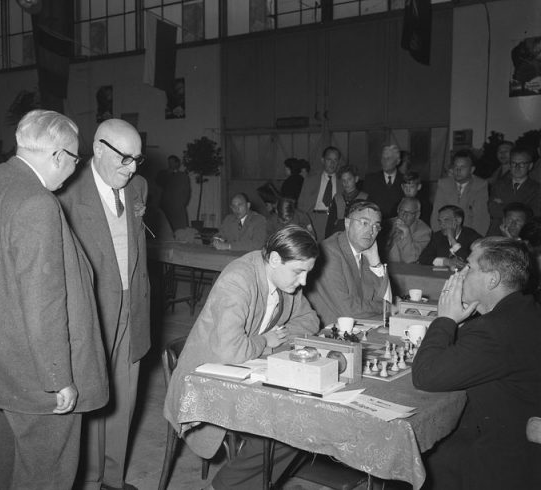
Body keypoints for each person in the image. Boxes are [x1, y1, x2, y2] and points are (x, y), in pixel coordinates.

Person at [0, 109, 108, 490]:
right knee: (46, 473)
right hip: (31, 374)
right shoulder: (36, 202)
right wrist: (60, 377)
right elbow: (43, 301)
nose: (74, 170)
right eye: (75, 160)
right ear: (59, 155)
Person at [164, 225, 321, 490]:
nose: (304, 282)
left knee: (300, 420)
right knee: (288, 425)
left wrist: (274, 337)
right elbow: (229, 350)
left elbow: (311, 320)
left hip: (248, 370)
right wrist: (266, 342)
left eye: (307, 272)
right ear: (273, 259)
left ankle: (240, 483)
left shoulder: (285, 279)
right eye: (299, 272)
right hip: (205, 380)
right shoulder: (238, 278)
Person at [58, 118, 151, 490]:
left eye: (137, 160)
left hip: (133, 305)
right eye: (124, 159)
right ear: (98, 149)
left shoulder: (139, 186)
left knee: (124, 397)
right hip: (91, 307)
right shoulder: (66, 190)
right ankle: (92, 480)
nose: (131, 169)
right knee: (94, 397)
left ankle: (114, 479)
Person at [412, 237, 541, 490]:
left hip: (509, 458)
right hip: (519, 431)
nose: (460, 273)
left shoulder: (495, 330)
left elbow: (425, 376)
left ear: (492, 280)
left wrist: (445, 319)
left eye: (469, 267)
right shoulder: (525, 310)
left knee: (428, 459)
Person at [306, 201, 390, 327]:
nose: (371, 231)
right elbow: (348, 309)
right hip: (328, 332)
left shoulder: (366, 251)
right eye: (364, 223)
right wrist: (385, 306)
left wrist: (376, 263)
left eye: (376, 226)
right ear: (347, 223)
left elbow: (385, 297)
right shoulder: (328, 252)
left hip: (359, 327)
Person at [430, 150, 489, 236]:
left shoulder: (480, 185)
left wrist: (474, 240)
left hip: (469, 234)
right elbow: (436, 214)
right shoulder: (444, 184)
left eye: (463, 167)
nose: (458, 170)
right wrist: (440, 236)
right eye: (455, 167)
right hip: (445, 232)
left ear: (472, 169)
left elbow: (481, 218)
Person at [488, 145, 540, 235]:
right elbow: (493, 210)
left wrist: (503, 206)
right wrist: (521, 208)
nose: (517, 167)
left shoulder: (537, 189)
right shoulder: (499, 185)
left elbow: (533, 214)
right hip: (497, 234)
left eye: (522, 164)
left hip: (523, 235)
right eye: (513, 163)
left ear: (530, 166)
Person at [297, 146, 343, 238]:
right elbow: (300, 206)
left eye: (335, 160)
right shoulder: (310, 180)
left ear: (339, 162)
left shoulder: (342, 181)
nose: (332, 163)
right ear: (323, 160)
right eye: (329, 159)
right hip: (313, 221)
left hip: (335, 221)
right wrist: (306, 224)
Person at [362, 144, 405, 220]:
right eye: (383, 158)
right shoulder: (370, 180)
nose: (384, 161)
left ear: (398, 161)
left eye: (388, 158)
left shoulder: (405, 181)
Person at [383, 197, 431, 263]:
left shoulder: (424, 231)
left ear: (417, 215)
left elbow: (410, 259)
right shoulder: (387, 224)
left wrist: (406, 234)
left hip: (406, 270)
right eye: (402, 211)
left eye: (409, 213)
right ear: (397, 210)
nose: (404, 215)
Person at [156, 154, 190, 231]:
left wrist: (183, 203)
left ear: (177, 163)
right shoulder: (163, 173)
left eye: (172, 162)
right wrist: (168, 173)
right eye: (169, 162)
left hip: (178, 206)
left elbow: (187, 190)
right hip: (165, 205)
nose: (170, 164)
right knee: (165, 228)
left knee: (180, 228)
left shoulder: (183, 175)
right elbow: (158, 182)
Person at [332, 164, 368, 234]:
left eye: (349, 179)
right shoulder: (337, 198)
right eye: (343, 180)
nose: (346, 183)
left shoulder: (365, 198)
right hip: (338, 234)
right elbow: (330, 223)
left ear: (356, 179)